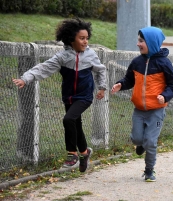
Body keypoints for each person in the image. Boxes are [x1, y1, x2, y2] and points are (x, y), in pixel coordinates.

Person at [12, 18, 107, 173]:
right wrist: (25, 78)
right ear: (71, 39)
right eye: (81, 38)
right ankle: (85, 152)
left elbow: (101, 70)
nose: (85, 42)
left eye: (87, 38)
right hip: (69, 96)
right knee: (76, 124)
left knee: (68, 119)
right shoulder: (62, 57)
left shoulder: (90, 55)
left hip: (84, 96)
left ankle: (72, 154)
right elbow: (43, 68)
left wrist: (102, 87)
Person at [111, 26, 173, 182]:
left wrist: (165, 95)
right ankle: (140, 144)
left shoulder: (164, 63)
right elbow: (129, 80)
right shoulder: (136, 62)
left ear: (152, 42)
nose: (138, 44)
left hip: (156, 111)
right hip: (139, 110)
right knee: (136, 138)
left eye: (141, 41)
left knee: (150, 141)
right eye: (138, 40)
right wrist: (120, 85)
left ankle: (149, 170)